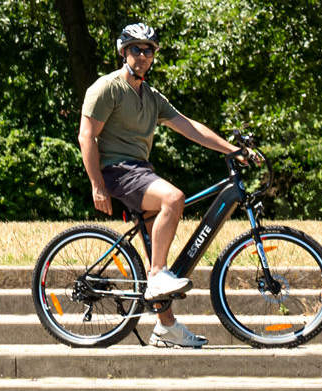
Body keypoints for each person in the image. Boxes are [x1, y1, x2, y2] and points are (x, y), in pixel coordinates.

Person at [78, 23, 257, 348]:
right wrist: (97, 185)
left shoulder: (150, 96)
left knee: (153, 246)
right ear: (123, 51)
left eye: (149, 50)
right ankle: (159, 274)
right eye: (136, 49)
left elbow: (188, 126)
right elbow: (86, 135)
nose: (143, 55)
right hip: (118, 171)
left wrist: (231, 150)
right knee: (173, 198)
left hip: (140, 171)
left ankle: (166, 327)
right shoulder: (107, 88)